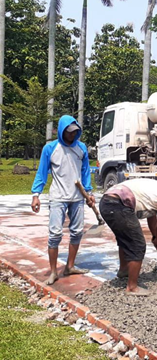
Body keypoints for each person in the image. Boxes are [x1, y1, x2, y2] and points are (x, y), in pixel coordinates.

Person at [31, 115, 95, 285]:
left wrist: (89, 192)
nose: (72, 136)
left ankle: (70, 266)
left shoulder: (81, 148)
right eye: (69, 133)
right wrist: (35, 195)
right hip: (58, 197)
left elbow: (86, 172)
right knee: (55, 235)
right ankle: (53, 272)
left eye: (75, 132)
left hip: (77, 198)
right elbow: (42, 173)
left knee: (77, 232)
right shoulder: (50, 148)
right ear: (61, 131)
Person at [99, 178, 157, 296]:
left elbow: (152, 217)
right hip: (119, 204)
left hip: (106, 202)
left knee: (126, 239)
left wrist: (156, 236)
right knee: (137, 245)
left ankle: (124, 271)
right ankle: (132, 287)